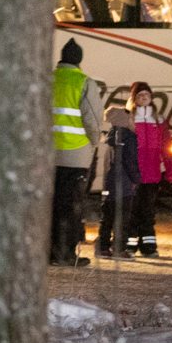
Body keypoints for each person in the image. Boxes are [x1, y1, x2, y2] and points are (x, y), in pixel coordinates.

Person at [52, 38, 103, 266]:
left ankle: (49, 252)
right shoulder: (84, 82)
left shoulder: (48, 79)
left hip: (48, 154)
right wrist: (94, 143)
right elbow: (92, 120)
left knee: (50, 205)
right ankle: (65, 254)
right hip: (75, 155)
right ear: (79, 60)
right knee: (70, 207)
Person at [127, 82, 167, 256]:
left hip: (152, 174)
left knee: (148, 212)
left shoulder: (159, 119)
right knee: (131, 211)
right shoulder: (129, 119)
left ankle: (149, 247)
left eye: (147, 95)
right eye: (140, 95)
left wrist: (170, 172)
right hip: (133, 174)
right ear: (134, 99)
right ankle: (129, 245)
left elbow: (166, 145)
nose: (144, 98)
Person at [95, 106, 140, 259]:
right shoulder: (128, 137)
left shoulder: (111, 135)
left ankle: (102, 248)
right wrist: (135, 179)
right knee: (122, 219)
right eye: (131, 118)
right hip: (124, 183)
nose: (133, 121)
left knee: (107, 217)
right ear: (124, 120)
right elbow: (130, 161)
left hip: (109, 182)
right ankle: (119, 250)